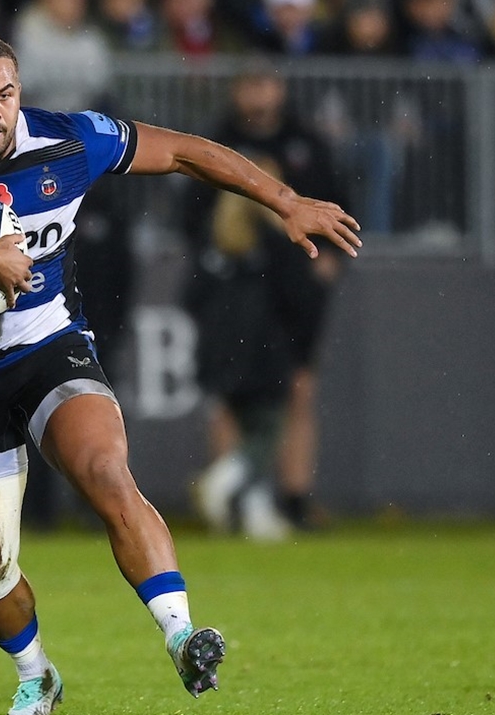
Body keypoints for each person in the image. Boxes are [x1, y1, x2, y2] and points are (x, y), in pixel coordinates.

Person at [0, 32, 361, 715]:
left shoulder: (69, 142)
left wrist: (283, 200)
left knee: (105, 470)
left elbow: (187, 151)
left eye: (5, 94)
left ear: (21, 95)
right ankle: (37, 676)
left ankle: (183, 634)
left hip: (50, 346)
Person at [183, 65, 349, 538]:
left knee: (229, 406)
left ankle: (242, 505)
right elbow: (301, 288)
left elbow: (191, 287)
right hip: (273, 326)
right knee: (278, 410)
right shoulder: (280, 250)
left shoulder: (303, 144)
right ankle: (238, 488)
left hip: (225, 320)